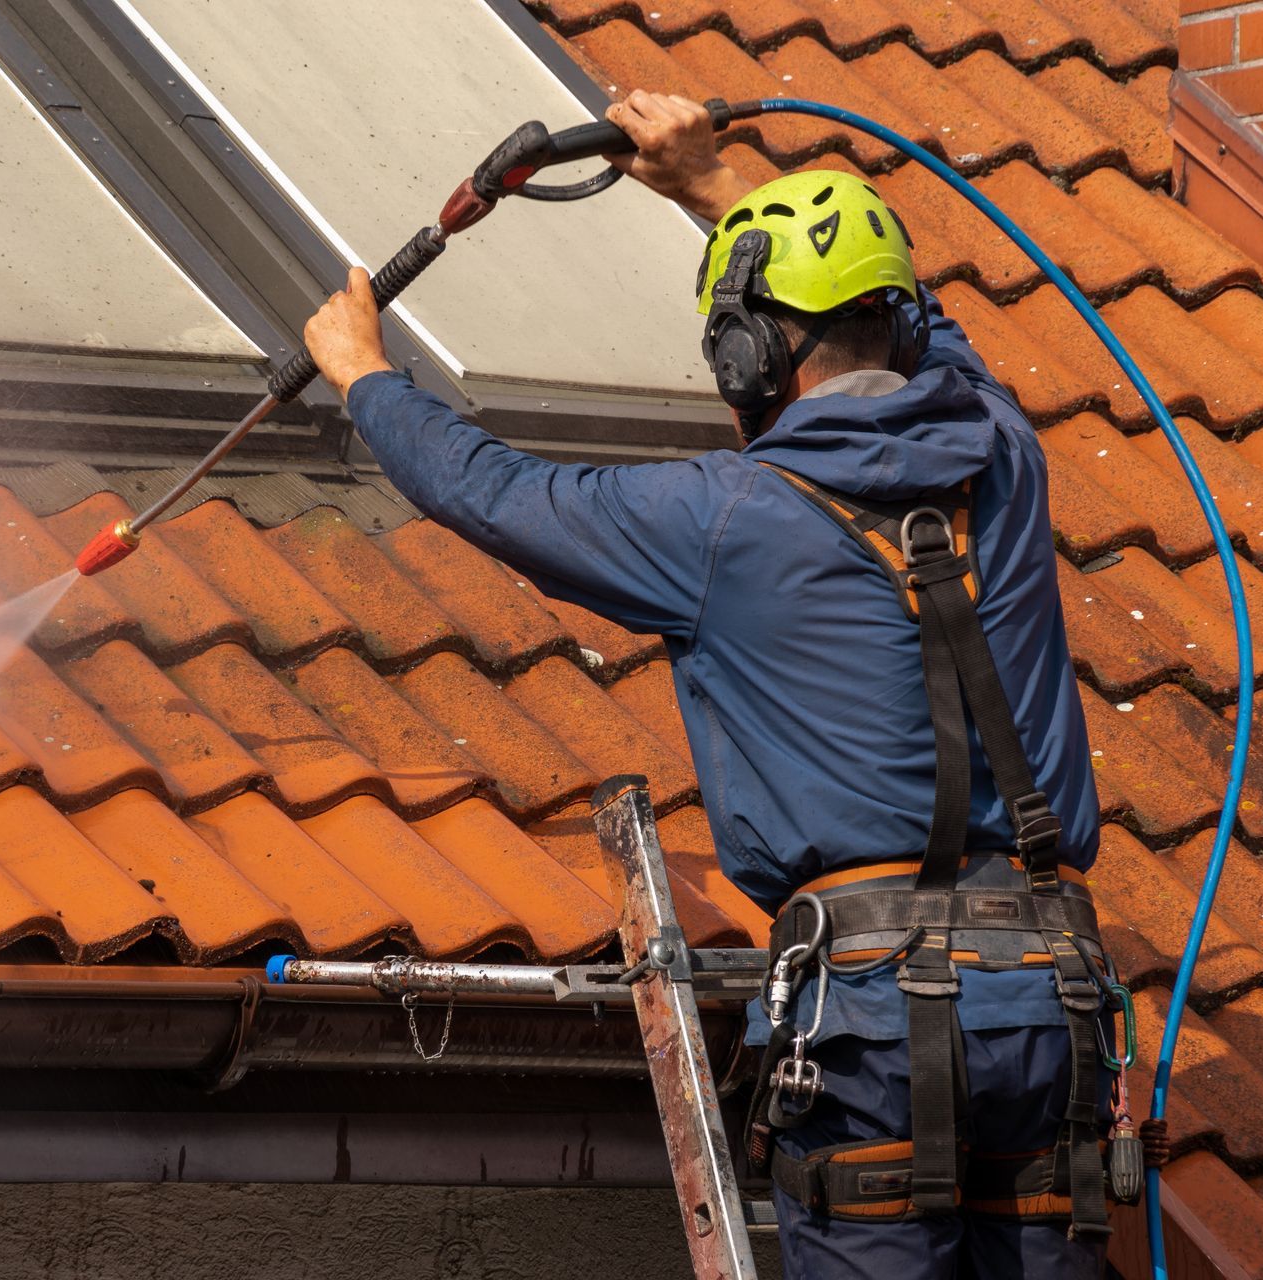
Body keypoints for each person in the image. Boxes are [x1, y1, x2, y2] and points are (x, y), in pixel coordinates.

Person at [304, 90, 1117, 1280]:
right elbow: (925, 330)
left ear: (742, 355)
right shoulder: (1006, 450)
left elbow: (495, 493)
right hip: (1051, 1004)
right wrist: (713, 184)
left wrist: (365, 375)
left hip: (876, 1026)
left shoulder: (720, 518)